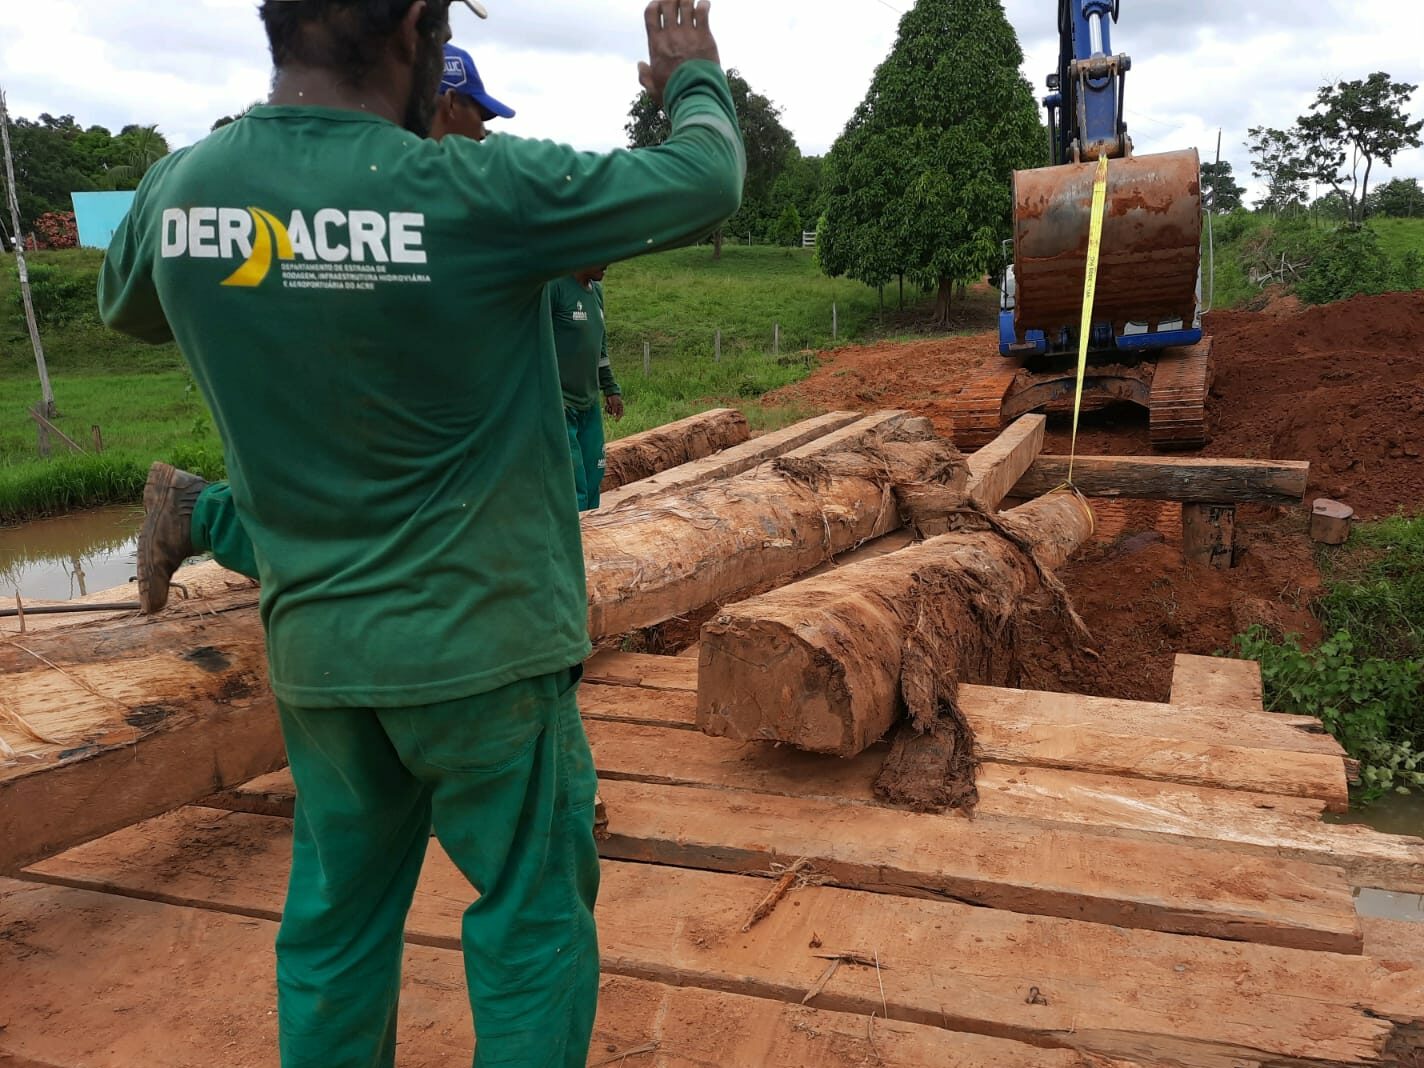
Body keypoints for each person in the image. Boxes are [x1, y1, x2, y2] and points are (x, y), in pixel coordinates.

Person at [99, 2, 742, 1067]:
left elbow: (133, 305)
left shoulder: (184, 187)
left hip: (323, 664)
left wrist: (259, 199)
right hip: (484, 653)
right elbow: (706, 178)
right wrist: (693, 77)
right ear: (414, 29)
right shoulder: (471, 191)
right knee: (527, 922)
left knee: (336, 927)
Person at [136, 37, 517, 601]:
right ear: (446, 106)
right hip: (340, 389)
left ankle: (202, 512)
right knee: (360, 530)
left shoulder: (403, 188)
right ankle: (204, 515)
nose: (484, 134)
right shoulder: (368, 187)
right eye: (478, 117)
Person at [549, 266, 622, 511]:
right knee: (574, 484)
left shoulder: (597, 293)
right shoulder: (555, 287)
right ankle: (576, 544)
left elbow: (600, 347)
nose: (607, 265)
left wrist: (611, 388)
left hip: (589, 404)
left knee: (594, 476)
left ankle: (593, 539)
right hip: (561, 404)